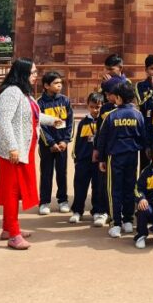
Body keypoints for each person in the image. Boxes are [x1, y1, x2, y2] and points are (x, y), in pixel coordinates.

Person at [0, 58, 64, 250]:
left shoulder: (23, 93)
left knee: (15, 190)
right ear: (23, 73)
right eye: (33, 72)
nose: (36, 76)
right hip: (12, 150)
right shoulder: (12, 93)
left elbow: (32, 115)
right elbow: (3, 121)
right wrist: (12, 147)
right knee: (12, 191)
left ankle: (7, 228)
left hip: (22, 147)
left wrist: (51, 120)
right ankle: (14, 234)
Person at [97, 80, 146, 238]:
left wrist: (102, 159)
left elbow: (102, 139)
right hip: (132, 156)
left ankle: (115, 223)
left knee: (114, 190)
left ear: (118, 98)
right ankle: (128, 221)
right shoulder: (138, 115)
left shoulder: (111, 116)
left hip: (115, 157)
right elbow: (142, 137)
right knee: (130, 187)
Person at [37, 71, 73, 215]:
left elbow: (70, 122)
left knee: (62, 173)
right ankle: (44, 202)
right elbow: (40, 125)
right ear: (46, 85)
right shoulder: (39, 103)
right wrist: (51, 143)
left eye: (60, 83)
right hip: (47, 146)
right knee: (46, 173)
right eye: (56, 83)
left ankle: (62, 200)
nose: (59, 86)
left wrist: (65, 140)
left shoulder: (65, 100)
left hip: (62, 143)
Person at [70, 92, 103, 224]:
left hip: (98, 162)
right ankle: (77, 211)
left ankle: (96, 211)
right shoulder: (83, 123)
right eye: (92, 107)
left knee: (98, 187)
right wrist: (76, 158)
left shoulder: (104, 122)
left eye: (98, 107)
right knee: (80, 187)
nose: (95, 110)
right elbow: (76, 143)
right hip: (83, 161)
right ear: (88, 106)